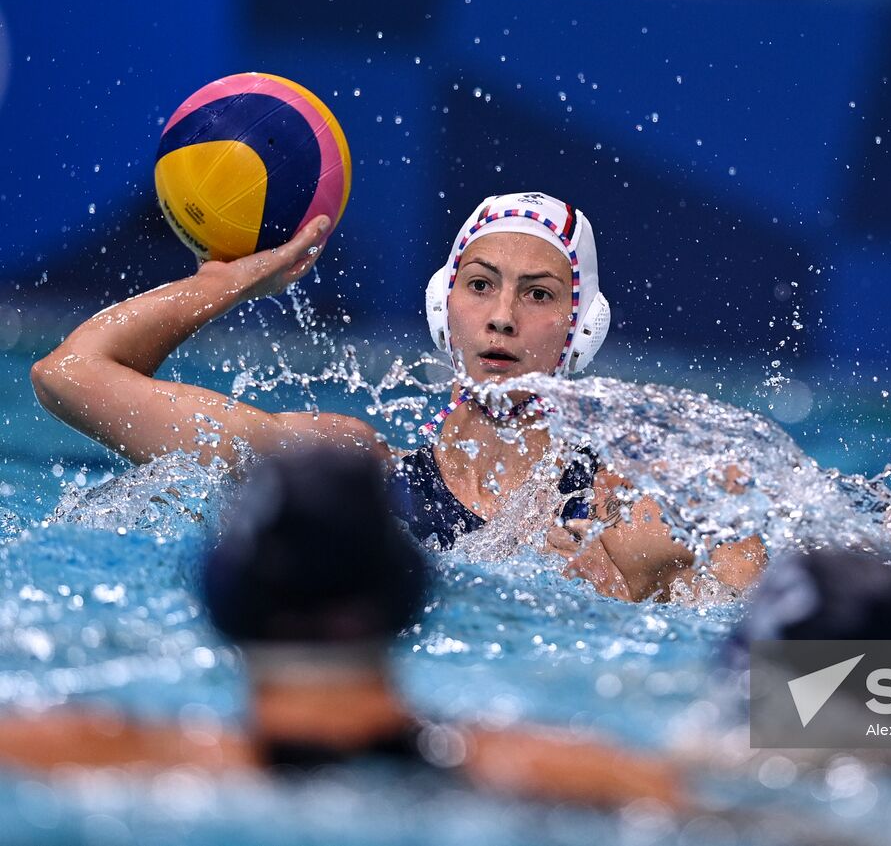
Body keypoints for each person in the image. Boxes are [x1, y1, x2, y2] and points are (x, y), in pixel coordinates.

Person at [30, 190, 754, 600]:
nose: (501, 315)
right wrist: (221, 287)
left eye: (537, 294)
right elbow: (69, 375)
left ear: (581, 328)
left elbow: (844, 700)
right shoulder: (354, 478)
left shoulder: (637, 512)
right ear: (445, 308)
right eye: (480, 285)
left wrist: (620, 620)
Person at [0, 446, 688, 804]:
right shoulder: (560, 772)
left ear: (222, 598)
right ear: (412, 595)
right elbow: (778, 789)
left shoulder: (104, 757)